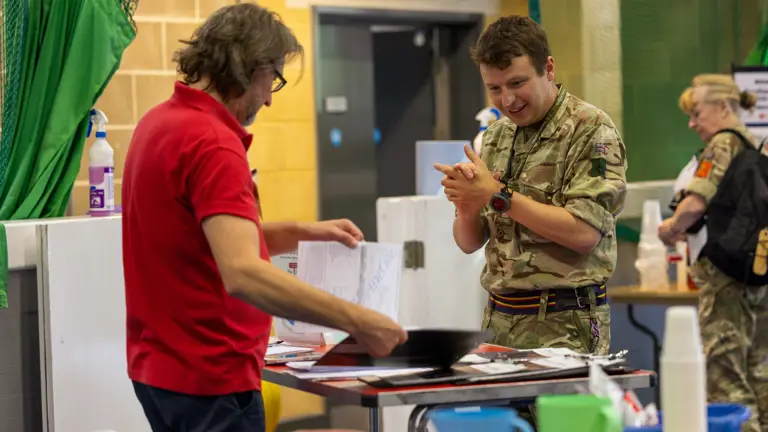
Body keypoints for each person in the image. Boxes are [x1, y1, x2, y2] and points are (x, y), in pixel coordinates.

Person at [121, 5, 407, 432]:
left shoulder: (158, 123)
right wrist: (357, 320)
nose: (270, 96)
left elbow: (202, 240)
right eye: (271, 78)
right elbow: (242, 272)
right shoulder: (213, 143)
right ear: (246, 66)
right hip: (210, 378)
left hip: (161, 370)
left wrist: (304, 232)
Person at [434, 15, 627, 355]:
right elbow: (469, 242)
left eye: (517, 83)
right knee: (502, 411)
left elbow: (584, 234)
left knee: (556, 412)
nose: (507, 100)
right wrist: (467, 207)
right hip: (499, 318)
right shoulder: (496, 137)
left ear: (548, 69)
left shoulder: (591, 130)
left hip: (566, 322)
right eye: (494, 88)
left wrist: (497, 196)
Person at [658, 74, 767, 432]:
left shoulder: (722, 144)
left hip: (723, 277)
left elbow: (695, 202)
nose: (692, 124)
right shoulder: (754, 144)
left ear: (723, 107)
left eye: (697, 113)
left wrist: (670, 228)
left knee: (724, 376)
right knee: (758, 370)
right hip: (753, 271)